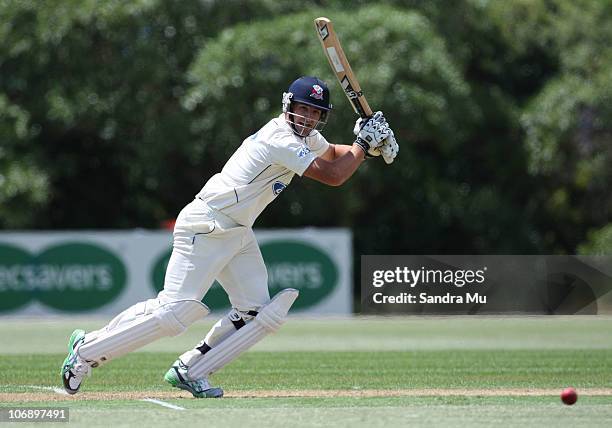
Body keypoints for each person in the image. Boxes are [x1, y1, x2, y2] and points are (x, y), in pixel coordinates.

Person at [60, 76, 398, 398]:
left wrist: (367, 148)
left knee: (257, 315)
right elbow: (335, 175)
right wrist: (363, 143)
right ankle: (86, 352)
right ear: (288, 105)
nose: (308, 117)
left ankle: (191, 370)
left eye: (315, 113)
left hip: (237, 230)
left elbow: (335, 155)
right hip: (207, 223)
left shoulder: (306, 137)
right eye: (303, 109)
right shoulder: (279, 137)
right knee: (174, 314)